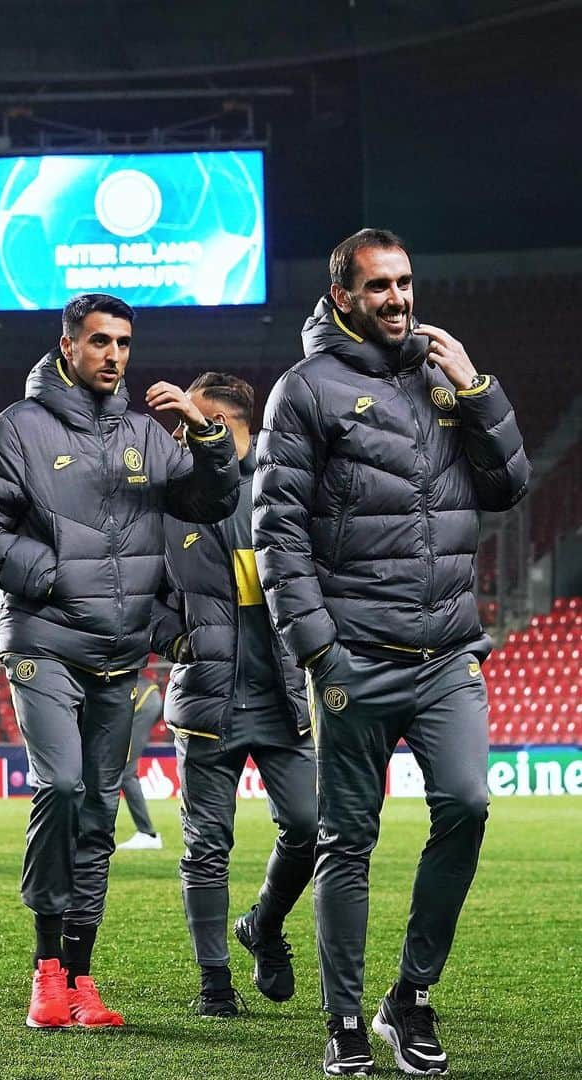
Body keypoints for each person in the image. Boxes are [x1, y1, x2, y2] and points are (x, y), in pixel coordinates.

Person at [253, 229, 529, 1076]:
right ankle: (341, 1018)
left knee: (469, 806)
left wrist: (479, 392)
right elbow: (278, 533)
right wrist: (320, 653)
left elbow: (507, 488)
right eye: (381, 287)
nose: (401, 299)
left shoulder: (443, 378)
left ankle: (408, 996)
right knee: (347, 841)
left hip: (448, 651)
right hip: (355, 659)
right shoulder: (304, 391)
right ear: (343, 297)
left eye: (406, 282)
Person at [0, 292, 240, 1030]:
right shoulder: (17, 429)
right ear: (68, 344)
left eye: (123, 343)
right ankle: (46, 970)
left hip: (120, 655)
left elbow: (212, 501)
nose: (114, 355)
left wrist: (206, 433)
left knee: (98, 812)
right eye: (100, 342)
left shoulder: (149, 431)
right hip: (43, 641)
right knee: (62, 784)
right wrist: (53, 577)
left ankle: (82, 979)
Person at [151, 373, 316, 1020]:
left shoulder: (286, 488)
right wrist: (174, 640)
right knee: (206, 844)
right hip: (207, 700)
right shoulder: (168, 502)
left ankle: (264, 926)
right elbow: (140, 593)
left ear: (223, 421)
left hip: (282, 697)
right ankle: (214, 980)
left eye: (189, 421)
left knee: (310, 826)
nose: (176, 435)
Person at [113, 673, 163, 851]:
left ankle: (148, 834)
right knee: (123, 771)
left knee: (125, 772)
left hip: (141, 700)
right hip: (147, 696)